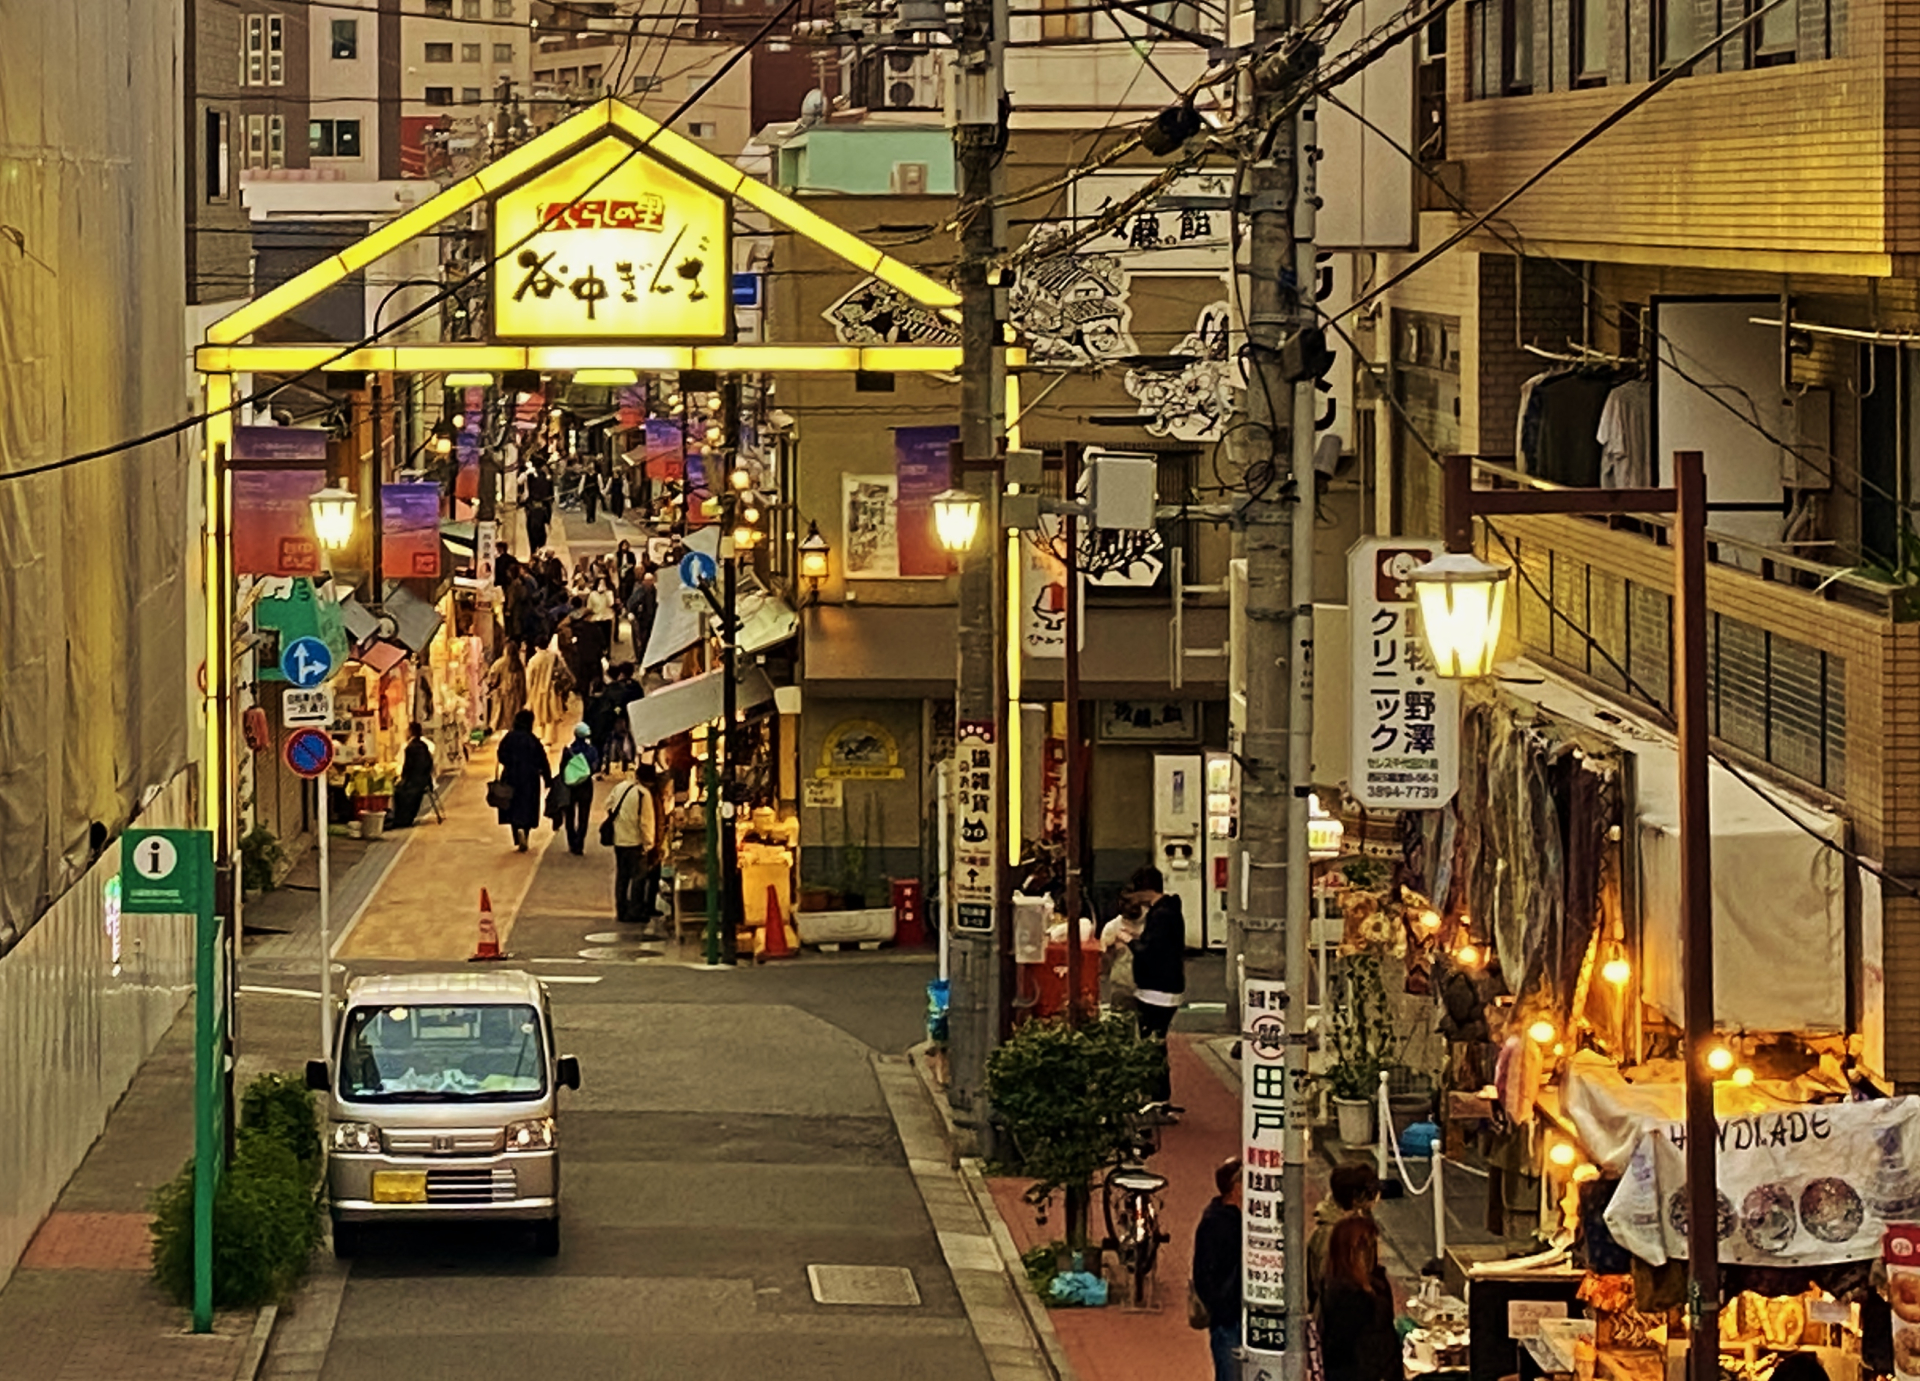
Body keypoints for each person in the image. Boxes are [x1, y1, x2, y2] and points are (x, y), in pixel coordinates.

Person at [1127, 865, 1187, 1101]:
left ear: (1144, 890)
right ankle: (1157, 1095)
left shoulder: (1161, 915)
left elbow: (1150, 951)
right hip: (1167, 986)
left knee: (1152, 1041)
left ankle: (1157, 1094)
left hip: (1156, 988)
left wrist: (1129, 941)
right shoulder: (1170, 910)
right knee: (1156, 1041)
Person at [1318, 1216, 1401, 1381]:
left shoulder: (1376, 1282)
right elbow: (1345, 1355)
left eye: (1374, 1244)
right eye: (1364, 1246)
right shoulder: (1346, 1298)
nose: (1372, 1252)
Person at [1191, 1159, 1243, 1381]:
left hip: (1235, 1316)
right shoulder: (1217, 1224)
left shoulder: (1238, 1219)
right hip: (1228, 1320)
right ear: (1237, 1187)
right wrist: (1222, 1307)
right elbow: (1204, 1275)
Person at [1308, 1163, 1382, 1313]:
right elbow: (1325, 1283)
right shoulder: (1336, 1235)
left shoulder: (1347, 1223)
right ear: (1357, 1199)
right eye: (1373, 1194)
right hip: (1341, 1314)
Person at [605, 764, 656, 925]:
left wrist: (621, 822)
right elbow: (646, 823)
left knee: (622, 876)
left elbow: (608, 804)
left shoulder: (621, 787)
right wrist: (649, 844)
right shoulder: (643, 794)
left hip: (619, 840)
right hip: (635, 841)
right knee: (638, 877)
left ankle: (621, 910)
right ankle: (635, 910)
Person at [494, 709, 550, 851]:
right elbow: (542, 760)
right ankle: (525, 832)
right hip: (530, 778)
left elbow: (501, 755)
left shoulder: (509, 738)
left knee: (513, 806)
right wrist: (548, 779)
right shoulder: (532, 740)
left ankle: (517, 833)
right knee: (528, 806)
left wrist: (510, 764)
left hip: (511, 776)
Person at [1100, 895, 1147, 1014]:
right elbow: (1105, 958)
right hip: (1122, 983)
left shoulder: (1152, 921)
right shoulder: (1112, 927)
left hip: (1149, 985)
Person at [385, 722, 435, 828]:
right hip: (424, 779)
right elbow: (429, 764)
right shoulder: (423, 746)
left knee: (399, 791)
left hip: (414, 781)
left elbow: (407, 767)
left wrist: (403, 779)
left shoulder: (410, 747)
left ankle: (402, 818)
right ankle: (404, 818)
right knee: (401, 790)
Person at [526, 638, 575, 745]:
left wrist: (528, 694)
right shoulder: (554, 658)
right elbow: (565, 671)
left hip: (537, 691)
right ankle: (550, 738)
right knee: (551, 716)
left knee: (539, 715)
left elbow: (529, 679)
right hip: (553, 690)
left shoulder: (533, 660)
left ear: (536, 647)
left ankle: (539, 736)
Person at [486, 642, 527, 732]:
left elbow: (491, 679)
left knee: (499, 722)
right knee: (512, 723)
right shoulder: (519, 665)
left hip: (501, 697)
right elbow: (523, 684)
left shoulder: (499, 663)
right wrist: (523, 699)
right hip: (516, 698)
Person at [627, 570, 658, 666]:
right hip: (642, 619)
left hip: (653, 619)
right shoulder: (640, 591)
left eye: (651, 581)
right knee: (641, 640)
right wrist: (632, 612)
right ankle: (640, 659)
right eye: (647, 581)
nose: (649, 583)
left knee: (649, 640)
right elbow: (632, 602)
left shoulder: (656, 592)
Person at [523, 462, 554, 554]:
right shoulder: (544, 478)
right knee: (539, 533)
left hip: (534, 509)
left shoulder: (532, 476)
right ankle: (538, 551)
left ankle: (534, 552)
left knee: (534, 532)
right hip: (539, 509)